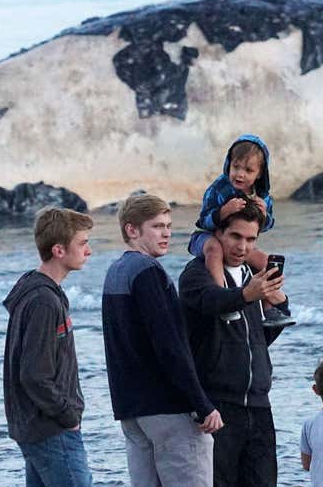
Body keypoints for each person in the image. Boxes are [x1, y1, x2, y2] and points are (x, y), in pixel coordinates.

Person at [102, 193, 225, 486]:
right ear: (132, 230)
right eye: (157, 226)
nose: (167, 233)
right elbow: (169, 346)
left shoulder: (115, 272)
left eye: (169, 225)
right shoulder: (149, 273)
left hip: (131, 411)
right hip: (167, 408)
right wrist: (202, 403)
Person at [178, 200, 292, 487]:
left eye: (251, 239)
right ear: (218, 234)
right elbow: (212, 301)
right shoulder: (196, 274)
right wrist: (246, 295)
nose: (242, 246)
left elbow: (259, 337)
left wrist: (282, 305)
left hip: (259, 406)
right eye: (236, 236)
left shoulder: (254, 278)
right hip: (218, 409)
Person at [3, 207, 95, 487]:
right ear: (58, 250)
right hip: (51, 429)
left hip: (37, 428)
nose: (88, 251)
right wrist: (68, 416)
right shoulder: (44, 301)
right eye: (82, 243)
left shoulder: (37, 291)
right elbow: (34, 374)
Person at [188, 134, 294, 328]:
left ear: (260, 173)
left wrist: (264, 215)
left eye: (248, 170)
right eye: (235, 167)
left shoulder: (263, 196)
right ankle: (224, 299)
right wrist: (222, 212)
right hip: (206, 237)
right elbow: (203, 220)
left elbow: (265, 226)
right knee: (214, 249)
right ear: (229, 164)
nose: (239, 174)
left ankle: (269, 308)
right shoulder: (219, 188)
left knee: (265, 260)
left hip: (235, 242)